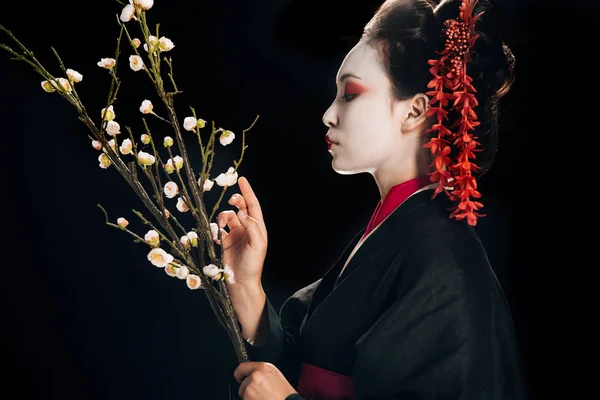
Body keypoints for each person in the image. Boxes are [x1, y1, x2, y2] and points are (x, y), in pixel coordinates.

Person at [219, 0, 529, 398]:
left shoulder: (443, 260)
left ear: (415, 111)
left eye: (349, 94)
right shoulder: (397, 227)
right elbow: (311, 362)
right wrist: (246, 286)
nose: (328, 115)